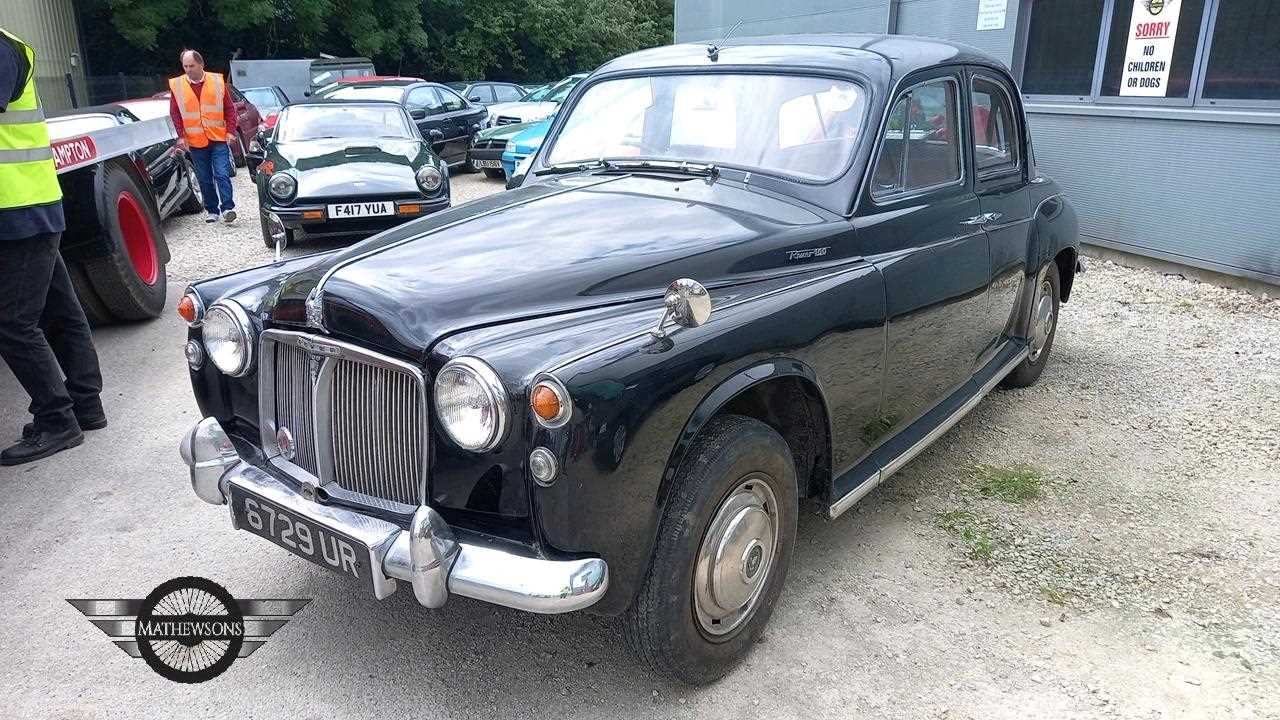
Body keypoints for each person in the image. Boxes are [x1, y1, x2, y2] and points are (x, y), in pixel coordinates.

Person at [0, 27, 106, 466]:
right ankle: (85, 405)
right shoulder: (9, 43)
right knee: (60, 310)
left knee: (12, 322)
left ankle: (57, 420)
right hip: (30, 202)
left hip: (17, 209)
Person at [168, 49, 237, 224]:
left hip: (218, 138)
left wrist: (230, 131)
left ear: (201, 64)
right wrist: (181, 136)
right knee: (205, 178)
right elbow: (175, 113)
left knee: (221, 173)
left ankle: (228, 208)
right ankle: (212, 210)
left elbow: (229, 108)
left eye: (191, 65)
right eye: (185, 66)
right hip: (196, 141)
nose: (188, 69)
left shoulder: (216, 81)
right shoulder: (177, 85)